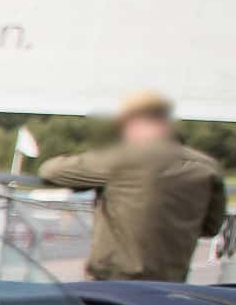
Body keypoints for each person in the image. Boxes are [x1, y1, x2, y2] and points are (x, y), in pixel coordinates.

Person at [39, 90, 225, 282]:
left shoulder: (126, 157)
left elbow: (50, 170)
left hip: (114, 279)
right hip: (172, 280)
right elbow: (211, 227)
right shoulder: (208, 167)